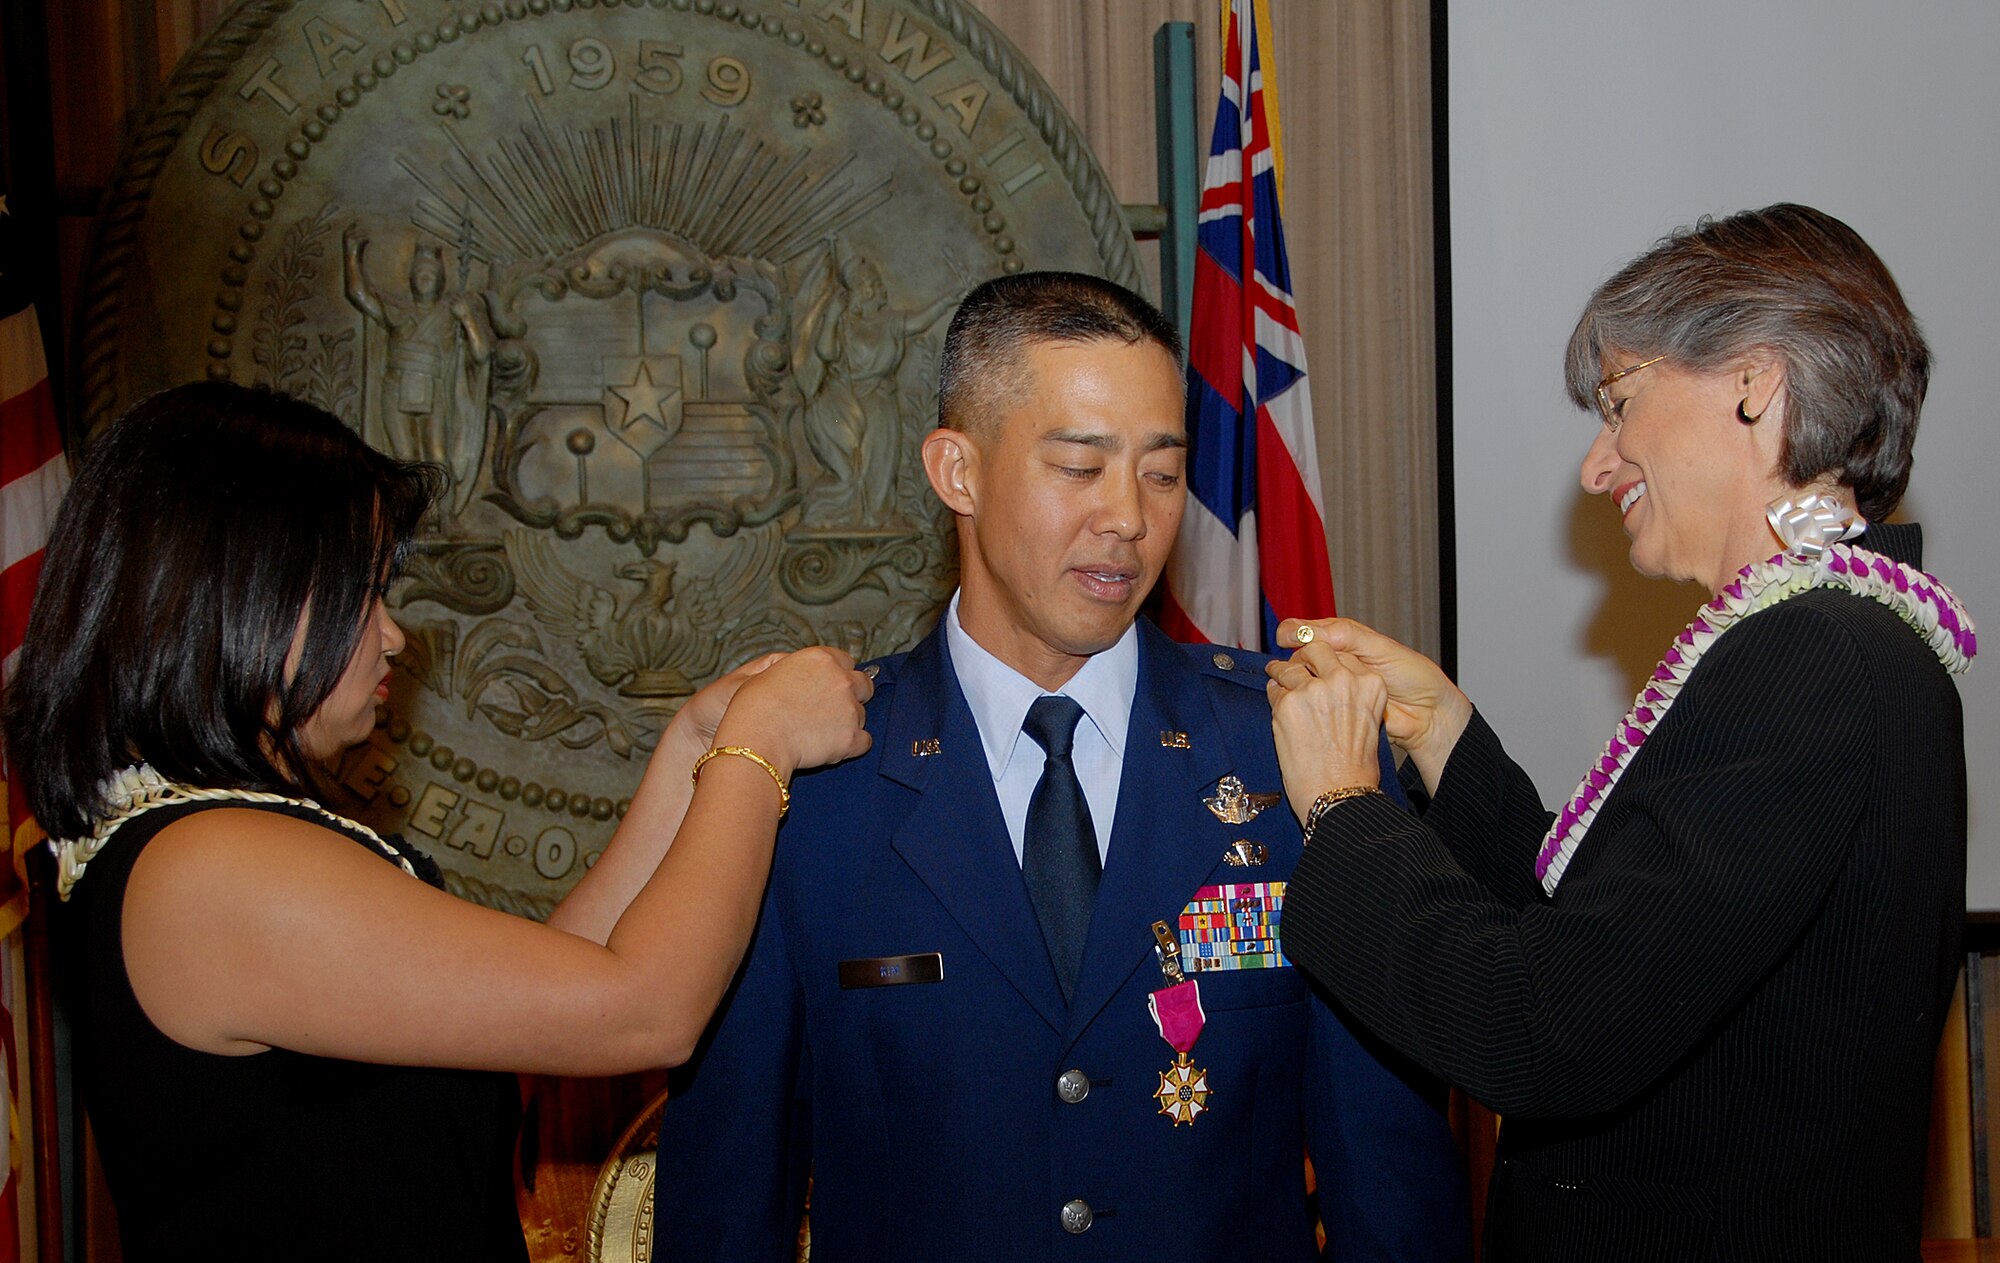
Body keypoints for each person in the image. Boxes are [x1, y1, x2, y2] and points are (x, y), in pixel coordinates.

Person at [653, 272, 1469, 1261]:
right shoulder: (809, 778)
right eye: (1080, 466)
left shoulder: (1292, 744)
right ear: (956, 471)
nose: (1126, 516)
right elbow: (728, 1192)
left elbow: (1386, 1170)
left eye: (1161, 473)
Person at [2, 382, 872, 1261]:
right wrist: (762, 746)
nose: (392, 636)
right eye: (366, 591)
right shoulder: (209, 864)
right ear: (248, 589)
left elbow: (535, 1026)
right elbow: (646, 1009)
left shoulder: (199, 839)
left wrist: (694, 745)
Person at [1265, 204, 1974, 1261]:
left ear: (1752, 382)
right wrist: (1441, 734)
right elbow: (1610, 941)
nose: (1596, 469)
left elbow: (1538, 1029)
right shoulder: (1850, 637)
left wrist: (1339, 808)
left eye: (1618, 404)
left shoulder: (1807, 656)